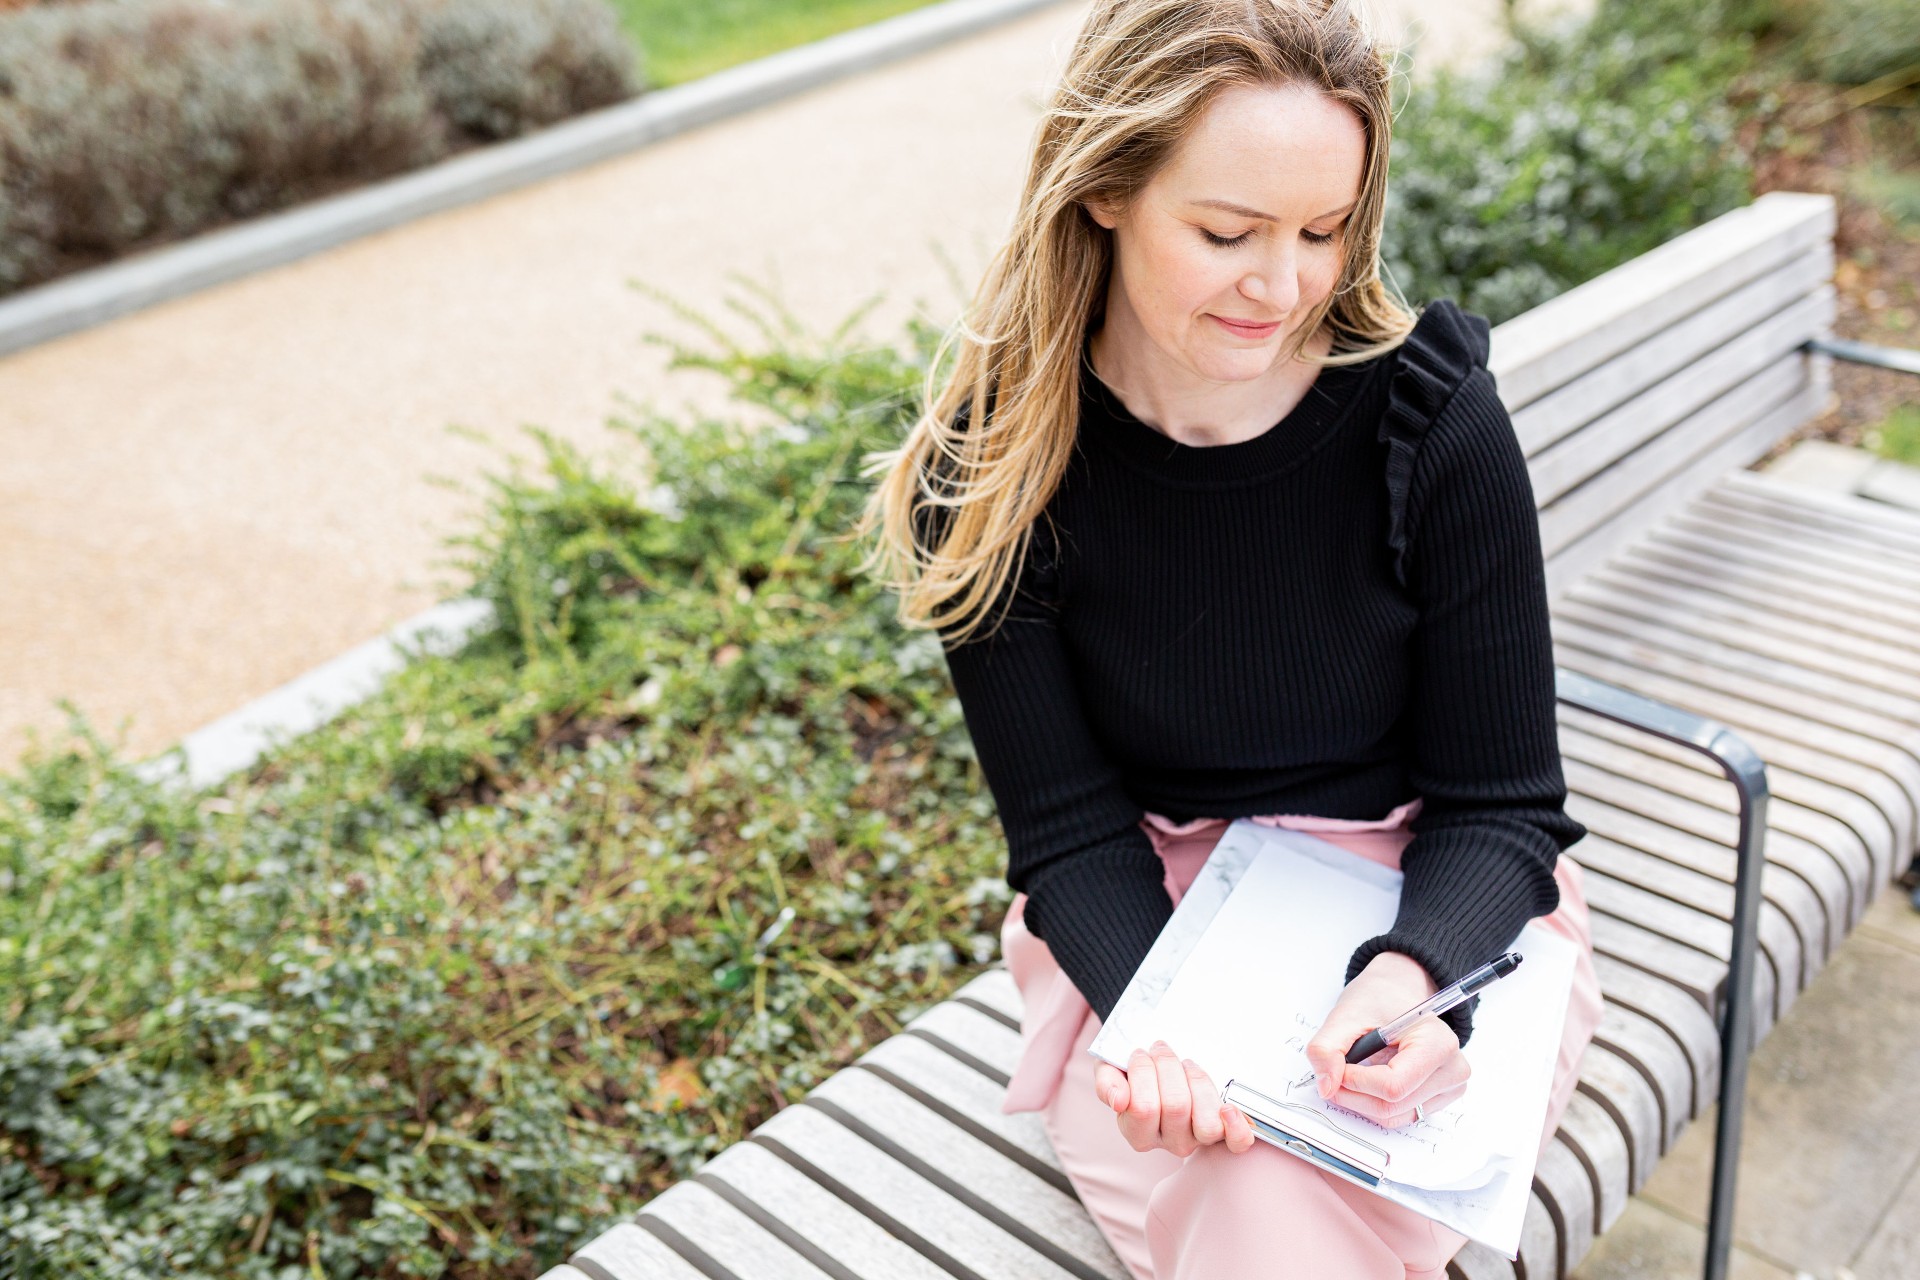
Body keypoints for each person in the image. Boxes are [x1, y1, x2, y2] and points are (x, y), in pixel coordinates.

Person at [856, 1, 1604, 1276]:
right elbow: (1068, 829)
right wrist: (1164, 1023)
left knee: (1276, 1201)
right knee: (1246, 1176)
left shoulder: (1430, 423)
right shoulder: (992, 474)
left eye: (1323, 230)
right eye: (1226, 232)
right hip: (1147, 924)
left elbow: (1502, 801)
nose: (1285, 284)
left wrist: (1413, 976)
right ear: (1103, 189)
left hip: (1431, 900)